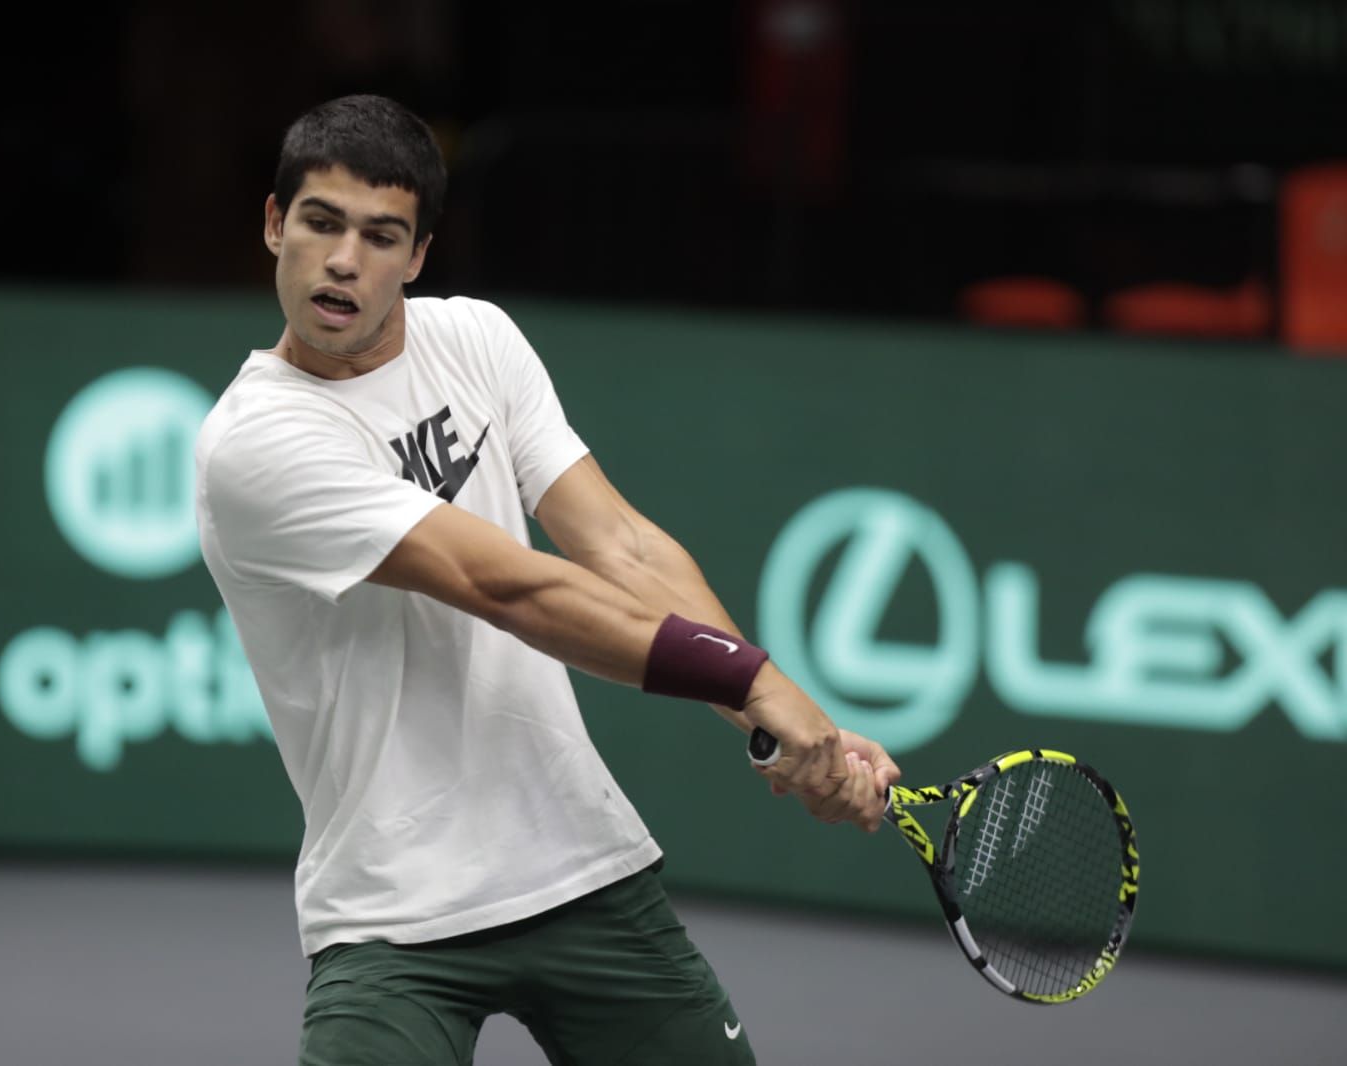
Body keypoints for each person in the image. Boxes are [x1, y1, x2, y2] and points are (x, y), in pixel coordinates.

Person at [194, 93, 900, 1066]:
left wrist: (778, 724)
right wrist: (756, 684)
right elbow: (512, 589)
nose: (345, 261)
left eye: (381, 235)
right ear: (276, 225)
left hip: (577, 862)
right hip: (392, 910)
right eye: (320, 223)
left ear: (420, 255)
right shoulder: (255, 443)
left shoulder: (477, 340)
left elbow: (622, 547)